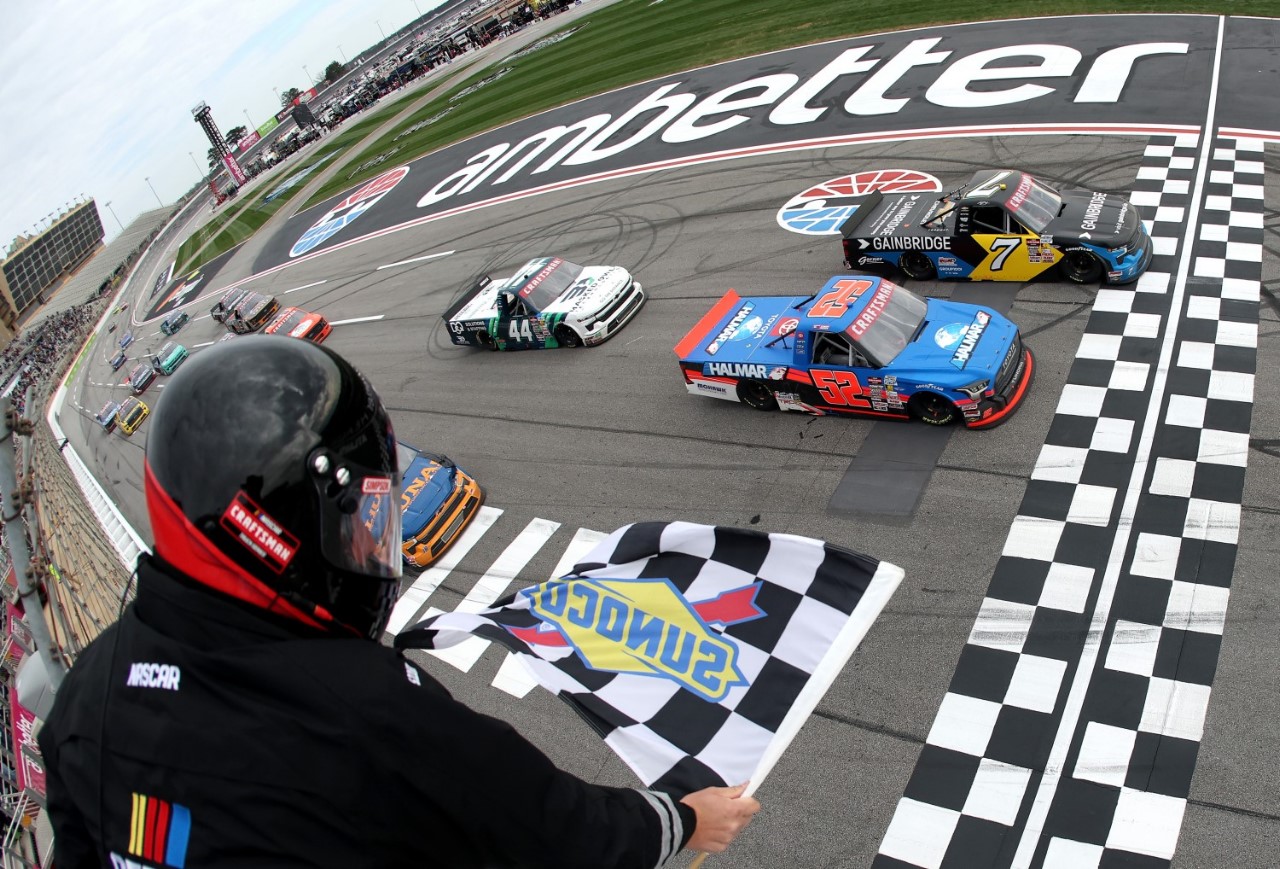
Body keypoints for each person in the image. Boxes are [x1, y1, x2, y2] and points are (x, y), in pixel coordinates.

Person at [37, 336, 759, 868]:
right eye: (356, 524)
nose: (371, 549)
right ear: (275, 534)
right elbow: (559, 832)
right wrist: (683, 819)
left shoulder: (79, 703)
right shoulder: (363, 713)